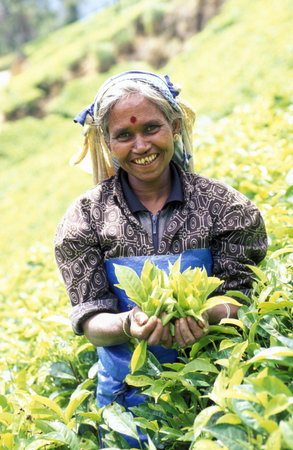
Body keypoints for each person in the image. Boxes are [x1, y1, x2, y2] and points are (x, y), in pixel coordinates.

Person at [54, 70, 267, 446]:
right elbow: (89, 319)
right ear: (106, 141)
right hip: (126, 405)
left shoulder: (227, 209)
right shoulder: (85, 218)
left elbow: (245, 301)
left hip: (216, 394)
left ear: (175, 125)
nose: (140, 145)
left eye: (151, 128)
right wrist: (128, 324)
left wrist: (209, 314)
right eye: (124, 135)